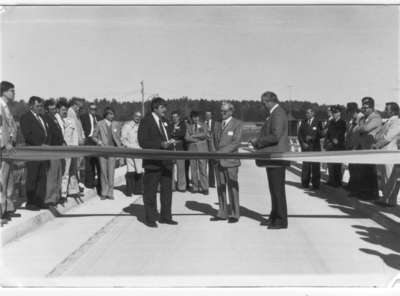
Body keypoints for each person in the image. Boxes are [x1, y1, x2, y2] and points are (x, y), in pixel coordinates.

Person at [250, 91, 289, 229]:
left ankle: (281, 220)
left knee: (277, 190)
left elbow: (276, 136)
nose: (263, 105)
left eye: (264, 103)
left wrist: (258, 141)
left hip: (276, 157)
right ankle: (274, 216)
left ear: (270, 101)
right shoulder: (275, 113)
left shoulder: (277, 113)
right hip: (273, 157)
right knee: (274, 189)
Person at [138, 97, 177, 227]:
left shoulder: (165, 121)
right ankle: (150, 218)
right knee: (150, 192)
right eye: (162, 107)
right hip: (153, 162)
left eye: (165, 107)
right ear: (155, 108)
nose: (165, 110)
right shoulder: (145, 121)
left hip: (166, 162)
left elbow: (168, 136)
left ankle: (166, 217)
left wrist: (171, 142)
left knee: (167, 192)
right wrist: (161, 144)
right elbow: (143, 142)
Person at [210, 102, 243, 223]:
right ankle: (222, 212)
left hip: (230, 161)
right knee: (220, 187)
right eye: (221, 111)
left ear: (231, 111)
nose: (222, 113)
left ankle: (235, 214)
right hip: (218, 161)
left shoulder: (237, 124)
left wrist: (220, 153)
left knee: (232, 187)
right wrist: (214, 153)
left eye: (224, 111)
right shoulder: (217, 123)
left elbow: (236, 143)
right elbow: (212, 139)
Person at [20, 96, 48, 210]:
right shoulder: (26, 117)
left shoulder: (41, 117)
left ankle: (39, 201)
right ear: (31, 105)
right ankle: (31, 202)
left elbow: (45, 132)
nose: (40, 108)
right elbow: (27, 135)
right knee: (32, 177)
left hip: (43, 152)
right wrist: (39, 144)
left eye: (41, 106)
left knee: (42, 177)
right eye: (38, 106)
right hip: (33, 151)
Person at [354, 97, 382, 200]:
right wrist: (361, 126)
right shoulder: (364, 118)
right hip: (363, 147)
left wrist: (361, 125)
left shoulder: (375, 117)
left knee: (370, 172)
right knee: (363, 171)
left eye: (367, 107)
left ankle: (373, 194)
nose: (364, 109)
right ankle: (364, 192)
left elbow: (365, 129)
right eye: (363, 107)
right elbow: (358, 130)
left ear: (372, 107)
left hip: (370, 147)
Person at [373, 102, 400, 207]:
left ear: (393, 110)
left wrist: (377, 145)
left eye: (387, 109)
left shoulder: (397, 121)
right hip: (384, 152)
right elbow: (380, 134)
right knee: (385, 176)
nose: (385, 110)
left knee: (390, 177)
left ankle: (387, 199)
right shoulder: (390, 120)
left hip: (390, 152)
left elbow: (388, 137)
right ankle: (386, 198)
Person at [93, 107, 122, 200]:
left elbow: (118, 137)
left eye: (113, 114)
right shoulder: (99, 124)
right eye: (111, 114)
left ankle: (110, 192)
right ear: (106, 114)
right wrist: (99, 142)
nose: (113, 116)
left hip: (112, 151)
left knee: (111, 172)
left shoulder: (116, 124)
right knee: (103, 172)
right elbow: (94, 136)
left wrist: (120, 149)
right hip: (102, 150)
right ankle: (104, 192)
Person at [0, 81, 19, 225]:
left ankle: (5, 209)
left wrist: (12, 140)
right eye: (12, 91)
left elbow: (12, 127)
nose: (14, 93)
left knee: (7, 180)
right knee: (1, 180)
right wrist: (5, 143)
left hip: (9, 149)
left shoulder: (7, 108)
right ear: (4, 91)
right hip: (2, 149)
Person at [43, 99, 65, 207]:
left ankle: (56, 196)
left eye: (55, 108)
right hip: (52, 149)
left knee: (58, 174)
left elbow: (58, 132)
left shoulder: (55, 118)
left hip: (58, 149)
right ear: (47, 109)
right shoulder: (46, 118)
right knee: (52, 175)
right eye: (52, 108)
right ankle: (50, 199)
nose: (54, 110)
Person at [62, 98, 84, 198]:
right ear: (74, 105)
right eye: (78, 106)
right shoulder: (70, 113)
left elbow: (79, 130)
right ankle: (64, 192)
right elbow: (69, 132)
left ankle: (73, 190)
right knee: (68, 169)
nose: (79, 108)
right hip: (70, 145)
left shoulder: (75, 114)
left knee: (74, 169)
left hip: (75, 145)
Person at [297, 108, 323, 189]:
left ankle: (315, 184)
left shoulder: (318, 122)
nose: (306, 114)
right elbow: (299, 134)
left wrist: (312, 137)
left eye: (308, 113)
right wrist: (302, 143)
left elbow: (321, 134)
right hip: (306, 148)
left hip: (315, 147)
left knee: (315, 166)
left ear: (313, 113)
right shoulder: (303, 122)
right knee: (306, 166)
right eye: (306, 113)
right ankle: (305, 183)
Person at [185, 111, 209, 195]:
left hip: (202, 150)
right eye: (193, 117)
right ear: (191, 118)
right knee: (193, 169)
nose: (195, 119)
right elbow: (187, 138)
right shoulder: (189, 127)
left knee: (203, 169)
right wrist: (196, 139)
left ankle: (205, 187)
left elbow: (204, 134)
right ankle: (195, 187)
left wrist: (194, 135)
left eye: (196, 117)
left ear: (199, 117)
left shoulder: (204, 125)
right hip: (192, 150)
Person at [121, 111, 143, 196]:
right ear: (133, 116)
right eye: (136, 116)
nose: (138, 118)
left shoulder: (141, 126)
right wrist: (129, 147)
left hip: (139, 151)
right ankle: (129, 190)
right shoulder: (127, 126)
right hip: (130, 150)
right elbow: (123, 139)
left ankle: (138, 190)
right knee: (130, 171)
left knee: (139, 170)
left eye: (139, 116)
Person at [323, 105, 346, 187]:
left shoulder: (342, 122)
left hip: (339, 145)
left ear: (339, 113)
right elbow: (329, 133)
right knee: (331, 164)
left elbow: (341, 133)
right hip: (332, 145)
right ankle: (332, 180)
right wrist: (331, 139)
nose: (334, 114)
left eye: (335, 112)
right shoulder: (331, 122)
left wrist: (336, 139)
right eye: (333, 113)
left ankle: (338, 181)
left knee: (338, 165)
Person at [80, 103, 101, 191]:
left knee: (98, 162)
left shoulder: (99, 118)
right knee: (89, 163)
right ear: (89, 109)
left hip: (97, 141)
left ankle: (100, 183)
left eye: (95, 109)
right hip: (88, 140)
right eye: (92, 109)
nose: (93, 110)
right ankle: (89, 183)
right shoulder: (83, 117)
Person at [344, 102, 363, 194]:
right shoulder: (352, 119)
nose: (349, 113)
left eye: (350, 111)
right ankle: (351, 185)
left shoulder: (360, 117)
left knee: (356, 168)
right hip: (351, 146)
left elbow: (360, 133)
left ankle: (355, 188)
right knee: (352, 167)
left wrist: (355, 146)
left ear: (354, 110)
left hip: (357, 147)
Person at [170, 110, 187, 192]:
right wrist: (174, 133)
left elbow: (182, 134)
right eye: (173, 117)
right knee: (171, 168)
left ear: (179, 117)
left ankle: (182, 186)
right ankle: (172, 186)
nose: (174, 118)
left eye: (176, 117)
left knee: (181, 168)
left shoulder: (183, 124)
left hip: (180, 148)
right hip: (171, 148)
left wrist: (173, 134)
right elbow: (168, 133)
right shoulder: (170, 125)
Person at [205, 111, 216, 188]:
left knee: (212, 165)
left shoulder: (215, 123)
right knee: (204, 165)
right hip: (205, 146)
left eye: (209, 115)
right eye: (206, 115)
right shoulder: (203, 123)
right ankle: (205, 182)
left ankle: (211, 182)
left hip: (212, 146)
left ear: (211, 115)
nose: (207, 116)